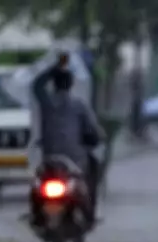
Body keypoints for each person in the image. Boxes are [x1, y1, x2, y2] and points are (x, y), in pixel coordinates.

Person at [30, 53, 105, 227]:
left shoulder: (46, 103)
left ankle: (36, 216)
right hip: (75, 162)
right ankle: (90, 214)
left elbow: (36, 85)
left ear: (53, 84)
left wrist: (53, 68)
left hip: (49, 160)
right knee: (93, 170)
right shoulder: (79, 106)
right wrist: (98, 136)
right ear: (71, 85)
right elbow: (94, 130)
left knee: (35, 182)